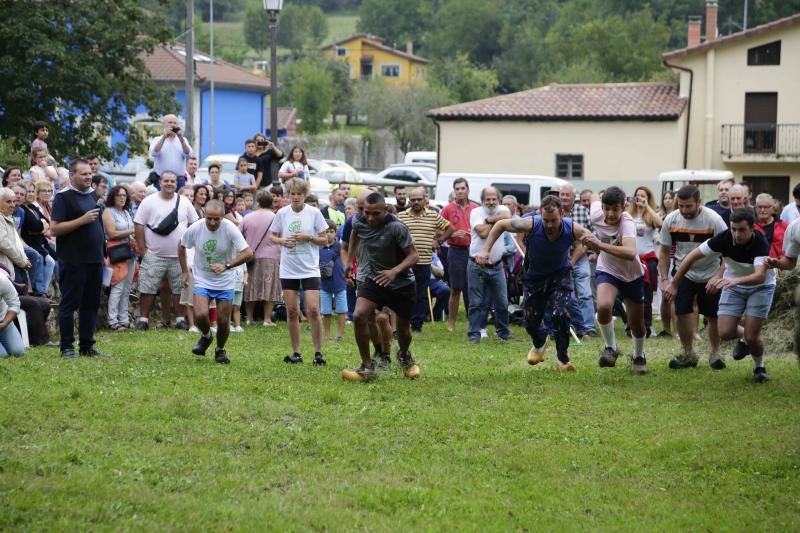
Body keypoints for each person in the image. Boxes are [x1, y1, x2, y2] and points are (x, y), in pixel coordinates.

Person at [478, 195, 590, 370]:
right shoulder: (531, 224)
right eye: (546, 220)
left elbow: (587, 239)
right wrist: (486, 250)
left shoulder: (572, 227)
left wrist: (573, 261)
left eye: (553, 220)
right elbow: (500, 225)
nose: (550, 225)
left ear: (562, 213)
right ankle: (540, 341)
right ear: (540, 215)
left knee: (560, 315)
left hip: (560, 276)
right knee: (530, 321)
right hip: (534, 278)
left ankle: (563, 360)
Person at [672, 208, 774, 382]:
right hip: (733, 285)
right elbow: (691, 257)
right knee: (725, 332)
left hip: (760, 287)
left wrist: (734, 281)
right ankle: (746, 337)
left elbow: (759, 276)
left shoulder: (760, 241)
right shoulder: (724, 238)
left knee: (752, 335)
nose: (736, 234)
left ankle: (759, 367)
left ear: (752, 228)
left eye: (742, 230)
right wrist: (674, 284)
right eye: (733, 229)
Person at [341, 192, 420, 382]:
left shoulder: (397, 227)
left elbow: (414, 256)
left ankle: (404, 355)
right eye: (366, 213)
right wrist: (350, 260)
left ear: (385, 209)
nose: (370, 218)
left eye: (375, 214)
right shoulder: (358, 220)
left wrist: (394, 271)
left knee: (403, 331)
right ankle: (367, 367)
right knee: (359, 315)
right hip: (375, 278)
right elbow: (354, 234)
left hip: (402, 283)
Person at [582, 188, 649, 374]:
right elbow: (594, 196)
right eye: (607, 208)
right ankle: (611, 348)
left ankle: (639, 356)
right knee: (603, 306)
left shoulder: (627, 222)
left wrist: (599, 245)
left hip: (632, 274)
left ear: (624, 207)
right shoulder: (596, 213)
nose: (611, 214)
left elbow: (630, 253)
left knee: (636, 323)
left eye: (615, 209)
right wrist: (597, 196)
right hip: (608, 270)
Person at [661, 185, 728, 370]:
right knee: (681, 312)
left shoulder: (714, 220)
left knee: (713, 315)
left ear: (699, 203)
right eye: (681, 206)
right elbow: (665, 252)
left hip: (710, 273)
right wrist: (666, 280)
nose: (684, 210)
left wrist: (718, 276)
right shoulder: (671, 219)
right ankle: (688, 353)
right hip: (684, 274)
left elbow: (729, 254)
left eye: (688, 206)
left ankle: (715, 354)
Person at [179, 200, 252, 364]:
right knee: (200, 315)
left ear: (222, 216)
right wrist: (184, 271)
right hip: (202, 279)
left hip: (225, 281)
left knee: (223, 320)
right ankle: (206, 336)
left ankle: (220, 350)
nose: (212, 223)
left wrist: (227, 265)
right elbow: (182, 245)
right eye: (209, 218)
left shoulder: (230, 228)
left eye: (216, 219)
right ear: (204, 214)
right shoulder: (197, 228)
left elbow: (248, 253)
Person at [50, 159, 106, 358]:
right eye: (84, 174)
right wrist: (81, 220)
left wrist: (103, 253)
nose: (89, 177)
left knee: (90, 304)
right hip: (74, 259)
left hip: (95, 259)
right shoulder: (63, 198)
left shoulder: (92, 195)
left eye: (90, 173)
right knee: (69, 304)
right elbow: (54, 228)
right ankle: (66, 347)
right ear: (72, 175)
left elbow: (97, 226)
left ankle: (86, 346)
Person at [270, 178, 329, 365]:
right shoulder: (282, 213)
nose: (295, 197)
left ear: (305, 195)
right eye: (292, 194)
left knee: (312, 309)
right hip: (289, 268)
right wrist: (282, 241)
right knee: (292, 311)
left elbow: (325, 239)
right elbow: (272, 236)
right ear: (288, 195)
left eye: (299, 194)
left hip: (310, 268)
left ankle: (318, 353)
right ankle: (296, 353)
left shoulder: (314, 213)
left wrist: (308, 237)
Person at [133, 171, 199, 331]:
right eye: (166, 181)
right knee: (147, 288)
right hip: (154, 254)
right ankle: (144, 320)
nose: (169, 183)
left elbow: (195, 224)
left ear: (177, 184)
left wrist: (190, 249)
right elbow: (139, 225)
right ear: (160, 182)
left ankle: (180, 319)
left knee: (180, 288)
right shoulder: (149, 201)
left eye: (172, 181)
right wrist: (143, 250)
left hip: (179, 256)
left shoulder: (184, 202)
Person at [398, 187, 454, 333]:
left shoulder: (433, 216)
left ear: (425, 200)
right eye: (413, 199)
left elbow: (450, 228)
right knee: (404, 294)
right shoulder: (401, 216)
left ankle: (416, 325)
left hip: (424, 263)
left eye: (419, 199)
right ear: (410, 200)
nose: (416, 202)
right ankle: (403, 322)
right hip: (405, 263)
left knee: (421, 294)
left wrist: (439, 241)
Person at [465, 186, 512, 343]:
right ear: (482, 200)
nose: (491, 202)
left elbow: (506, 215)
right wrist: (498, 222)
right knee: (476, 303)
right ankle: (474, 334)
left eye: (494, 199)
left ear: (498, 199)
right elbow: (483, 233)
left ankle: (503, 333)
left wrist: (489, 221)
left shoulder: (503, 209)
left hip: (497, 265)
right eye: (488, 199)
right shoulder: (475, 212)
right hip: (476, 265)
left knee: (502, 302)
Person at [558, 183, 596, 338]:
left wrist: (591, 251)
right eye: (562, 195)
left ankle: (589, 327)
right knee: (567, 294)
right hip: (560, 258)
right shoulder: (555, 212)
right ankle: (573, 325)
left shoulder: (583, 211)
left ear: (574, 197)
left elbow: (592, 234)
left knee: (586, 293)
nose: (565, 198)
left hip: (580, 257)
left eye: (568, 195)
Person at [440, 178, 478, 332]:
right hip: (455, 251)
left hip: (473, 251)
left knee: (473, 288)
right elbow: (439, 231)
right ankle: (451, 323)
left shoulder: (476, 208)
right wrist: (453, 233)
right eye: (457, 189)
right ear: (454, 191)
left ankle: (474, 323)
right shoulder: (447, 209)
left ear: (468, 189)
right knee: (456, 288)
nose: (460, 191)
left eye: (463, 188)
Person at [240, 191, 281, 327]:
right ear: (271, 202)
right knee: (270, 288)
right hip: (272, 256)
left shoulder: (247, 217)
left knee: (250, 287)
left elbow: (238, 235)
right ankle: (267, 319)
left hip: (251, 256)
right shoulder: (276, 217)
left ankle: (249, 318)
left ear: (258, 202)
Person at [627, 186, 663, 337]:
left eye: (643, 196)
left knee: (647, 296)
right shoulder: (628, 215)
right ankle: (631, 326)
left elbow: (660, 224)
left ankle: (647, 326)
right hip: (632, 259)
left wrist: (647, 206)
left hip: (648, 259)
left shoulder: (651, 215)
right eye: (637, 195)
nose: (640, 198)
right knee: (631, 294)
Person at [102, 185, 136, 331]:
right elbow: (112, 233)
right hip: (117, 252)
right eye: (119, 195)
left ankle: (124, 319)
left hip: (129, 251)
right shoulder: (108, 212)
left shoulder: (127, 212)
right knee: (118, 286)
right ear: (113, 197)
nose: (122, 198)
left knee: (127, 288)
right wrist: (133, 230)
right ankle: (112, 320)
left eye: (124, 195)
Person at [19, 182, 55, 297]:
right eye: (28, 192)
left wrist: (40, 226)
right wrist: (40, 227)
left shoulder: (32, 207)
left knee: (51, 261)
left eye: (32, 191)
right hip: (30, 243)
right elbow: (34, 226)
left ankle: (43, 289)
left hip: (38, 242)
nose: (30, 194)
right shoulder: (22, 209)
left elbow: (47, 222)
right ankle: (38, 290)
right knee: (39, 257)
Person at [319, 220, 347, 341]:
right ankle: (327, 334)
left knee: (341, 310)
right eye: (326, 232)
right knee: (326, 311)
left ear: (336, 233)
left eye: (331, 232)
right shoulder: (318, 248)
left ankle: (340, 335)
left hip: (340, 282)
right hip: (324, 284)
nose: (329, 234)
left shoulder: (340, 247)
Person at [148, 114, 192, 184]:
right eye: (170, 122)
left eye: (175, 123)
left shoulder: (183, 140)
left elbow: (188, 153)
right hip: (161, 179)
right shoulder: (157, 139)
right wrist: (164, 137)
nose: (172, 125)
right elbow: (154, 152)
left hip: (178, 179)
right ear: (164, 124)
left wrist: (181, 139)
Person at [0, 265, 25, 357]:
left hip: (3, 321)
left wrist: (5, 323)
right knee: (2, 355)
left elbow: (15, 304)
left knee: (18, 352)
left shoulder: (2, 280)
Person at [754, 193, 787, 258]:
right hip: (758, 265)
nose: (762, 210)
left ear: (772, 208)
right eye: (760, 207)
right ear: (755, 208)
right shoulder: (751, 227)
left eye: (766, 207)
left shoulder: (783, 225)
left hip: (781, 265)